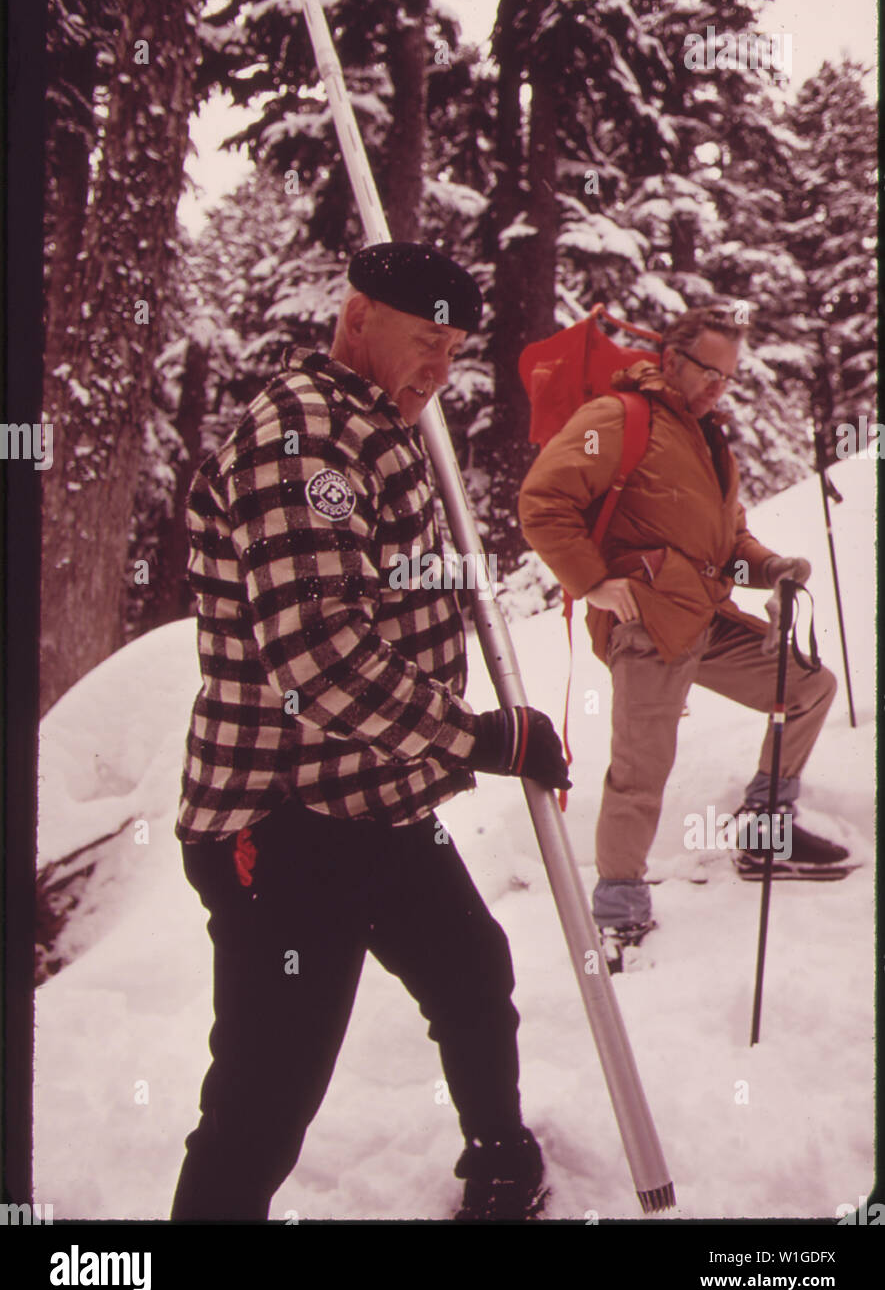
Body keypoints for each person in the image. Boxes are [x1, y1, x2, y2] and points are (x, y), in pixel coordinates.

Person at [170, 242, 570, 1222]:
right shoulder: (301, 439)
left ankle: (501, 1159)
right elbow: (318, 654)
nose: (440, 367)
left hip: (372, 800)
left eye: (454, 349)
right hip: (282, 819)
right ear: (357, 316)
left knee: (472, 974)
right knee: (266, 1095)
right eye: (425, 340)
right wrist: (475, 736)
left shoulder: (374, 424)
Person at [518, 304, 845, 972]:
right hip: (645, 627)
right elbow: (540, 501)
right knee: (639, 774)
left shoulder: (703, 435)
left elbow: (724, 541)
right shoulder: (616, 418)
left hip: (702, 616)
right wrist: (592, 582)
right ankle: (617, 913)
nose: (717, 386)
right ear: (670, 358)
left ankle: (762, 831)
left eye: (727, 376)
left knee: (807, 687)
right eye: (707, 371)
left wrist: (771, 567)